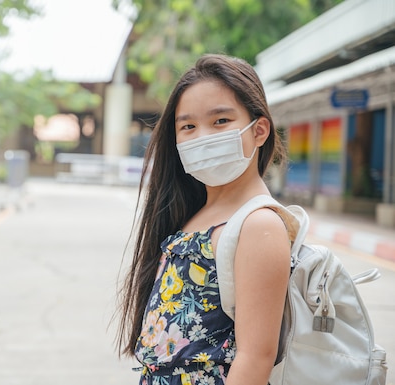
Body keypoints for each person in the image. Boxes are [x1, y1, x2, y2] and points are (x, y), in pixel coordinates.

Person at [116, 53, 290, 385]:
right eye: (188, 126)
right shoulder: (192, 216)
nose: (203, 137)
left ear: (260, 130)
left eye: (221, 121)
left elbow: (255, 359)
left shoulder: (258, 225)